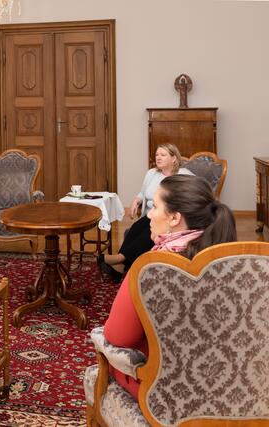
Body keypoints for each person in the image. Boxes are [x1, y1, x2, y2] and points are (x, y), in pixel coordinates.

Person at [103, 174, 237, 399]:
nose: (149, 214)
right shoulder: (238, 264)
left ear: (174, 217)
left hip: (165, 391)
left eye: (155, 207)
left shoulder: (150, 268)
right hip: (228, 390)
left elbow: (117, 336)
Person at [98, 143, 193, 281]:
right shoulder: (151, 173)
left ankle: (120, 259)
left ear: (174, 158)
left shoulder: (184, 175)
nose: (158, 158)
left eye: (163, 155)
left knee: (148, 231)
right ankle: (120, 266)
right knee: (137, 227)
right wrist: (136, 200)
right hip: (151, 213)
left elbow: (196, 196)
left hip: (169, 218)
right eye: (156, 155)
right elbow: (143, 193)